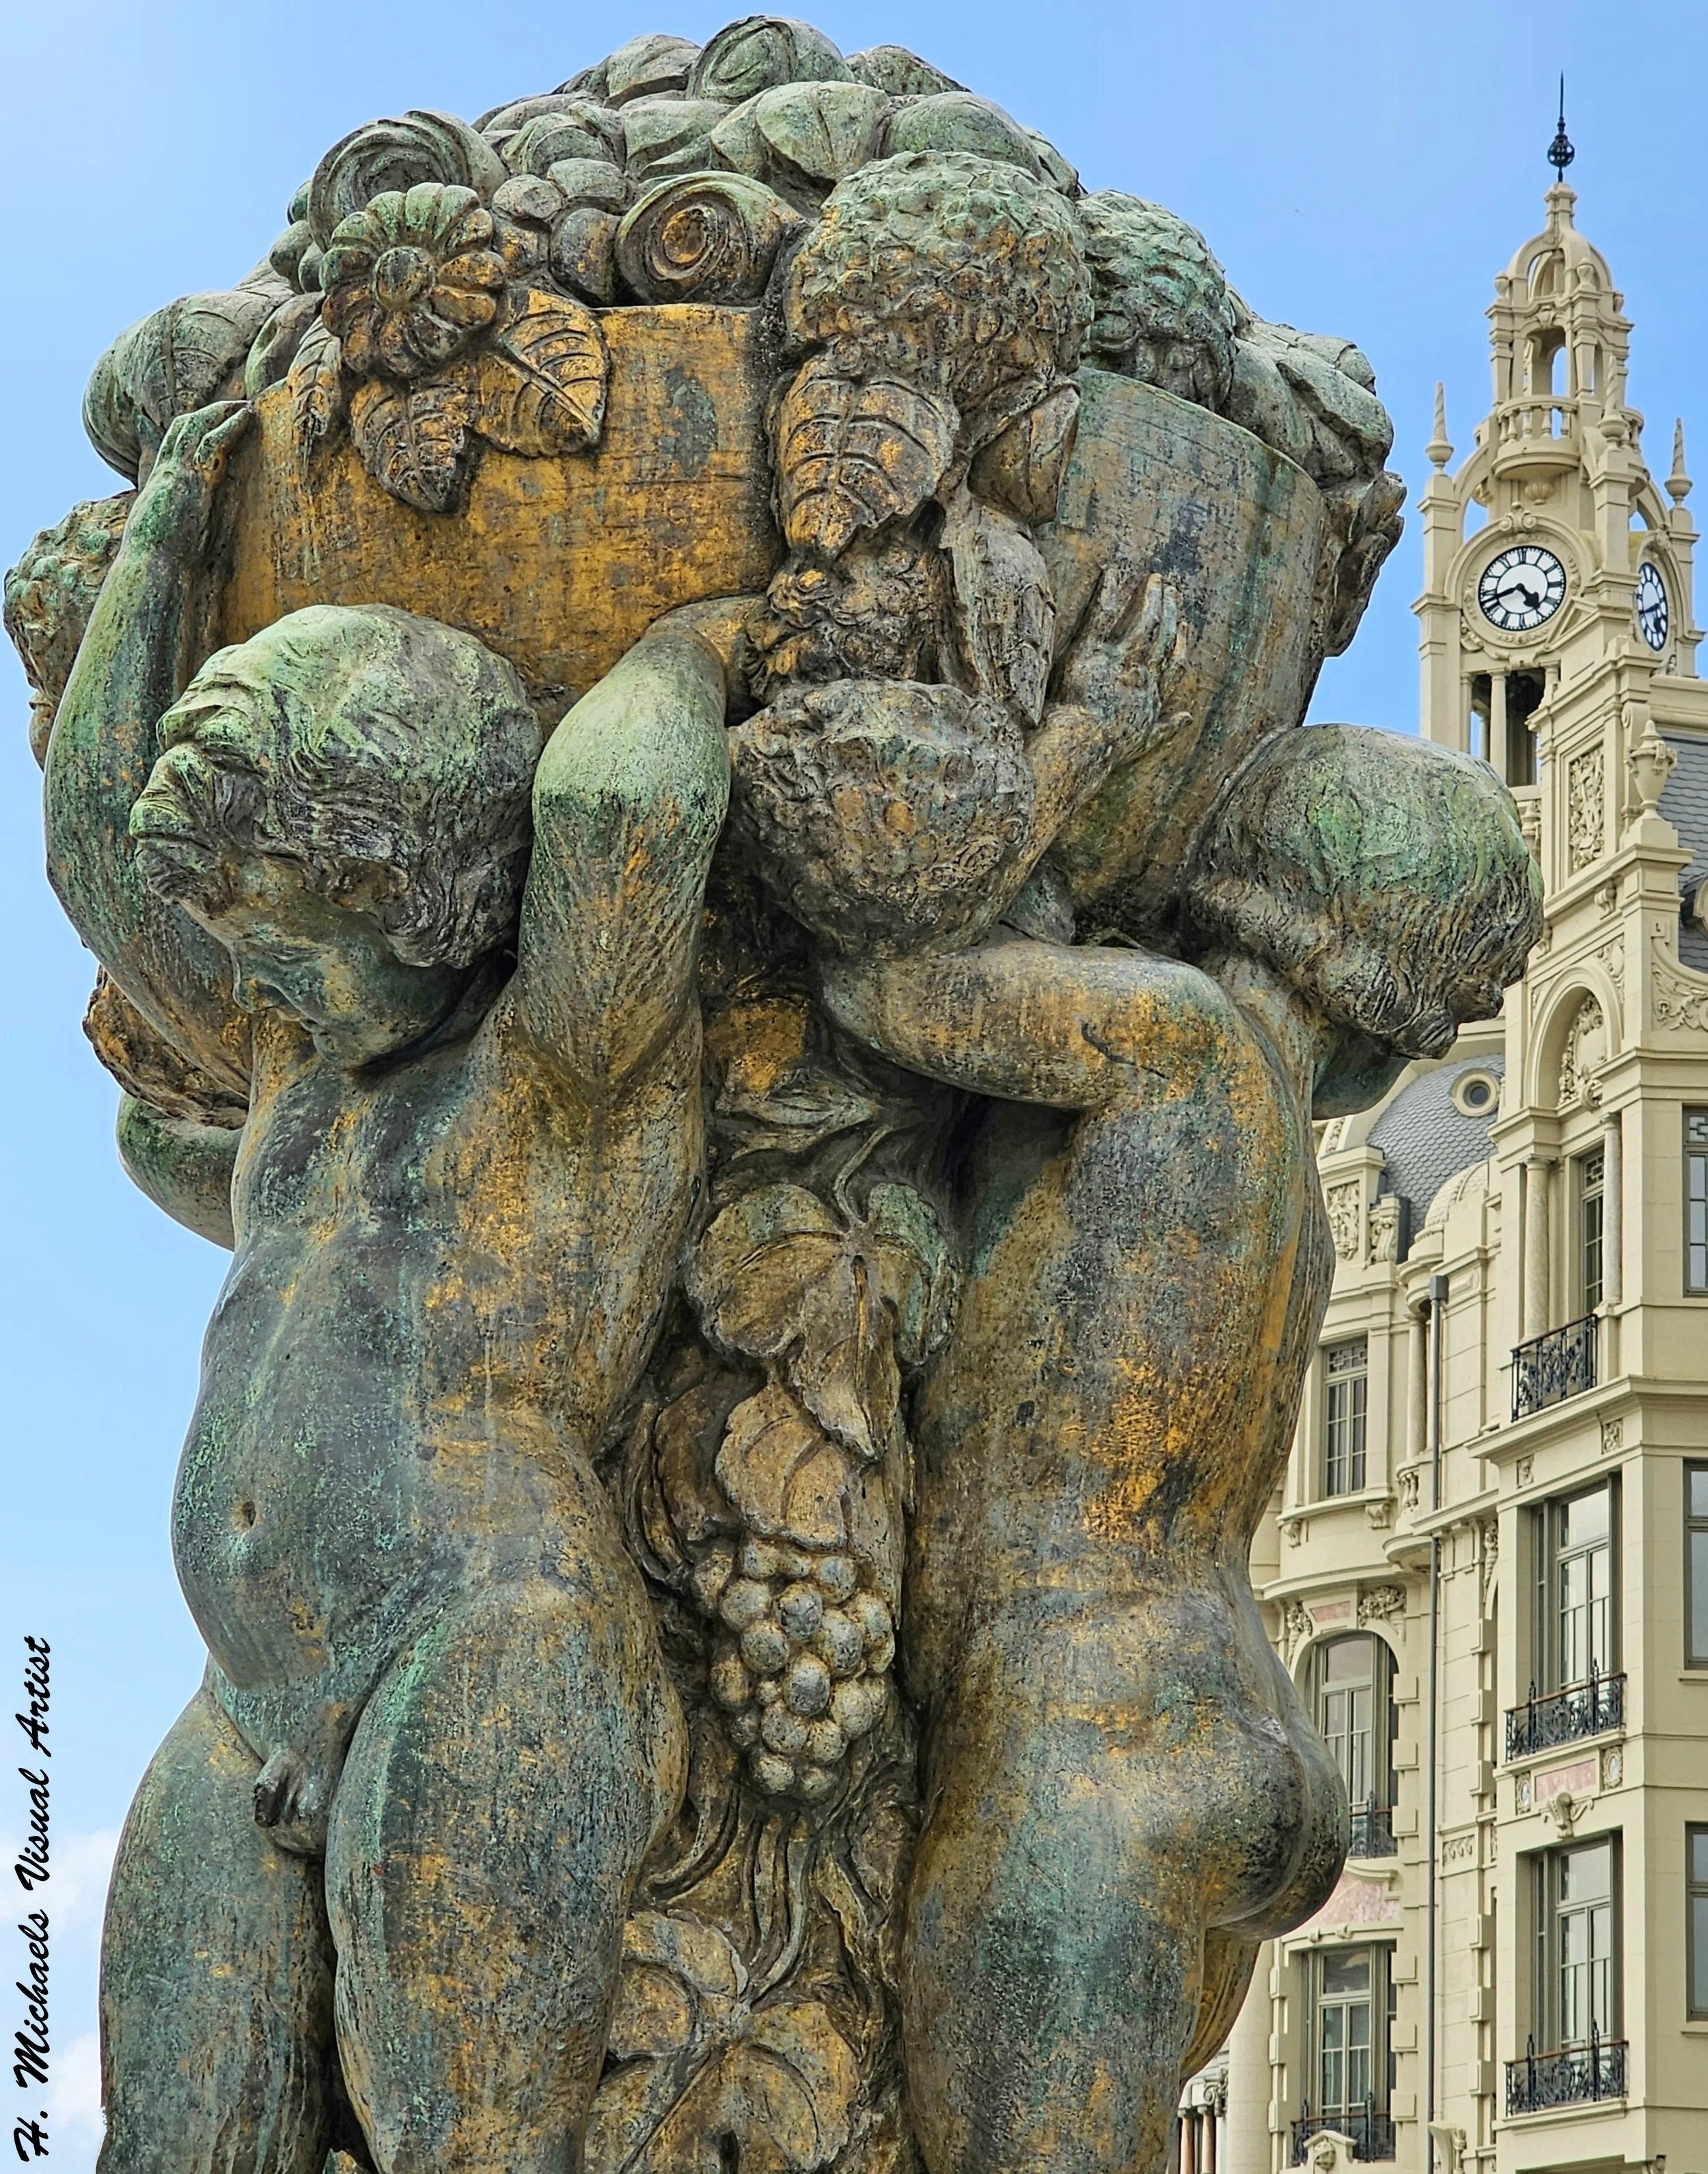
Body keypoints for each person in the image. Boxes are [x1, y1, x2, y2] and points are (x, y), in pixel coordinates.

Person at [43, 400, 732, 2174]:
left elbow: (614, 816)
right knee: (167, 2142)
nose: (237, 960)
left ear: (411, 881)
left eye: (275, 914)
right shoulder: (299, 1063)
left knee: (470, 2149)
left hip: (487, 1641)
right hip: (248, 1679)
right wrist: (174, 521)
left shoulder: (562, 1066)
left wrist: (686, 640)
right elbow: (94, 857)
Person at [817, 718, 1541, 2174]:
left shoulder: (1172, 1043)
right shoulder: (1303, 1200)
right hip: (1221, 1718)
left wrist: (1062, 756)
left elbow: (867, 973)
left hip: (1079, 1748)